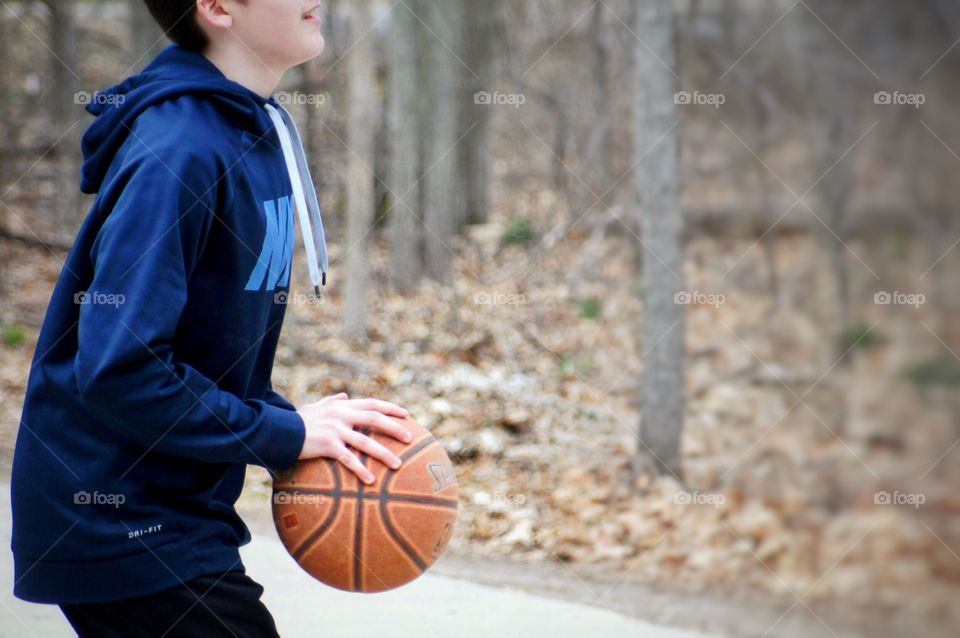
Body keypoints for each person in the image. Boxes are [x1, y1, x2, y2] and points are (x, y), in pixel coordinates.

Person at [9, 1, 411, 635]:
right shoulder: (180, 150)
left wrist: (295, 428)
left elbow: (198, 355)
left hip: (174, 509)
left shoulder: (250, 128)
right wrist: (284, 436)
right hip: (117, 516)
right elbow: (123, 368)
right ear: (218, 7)